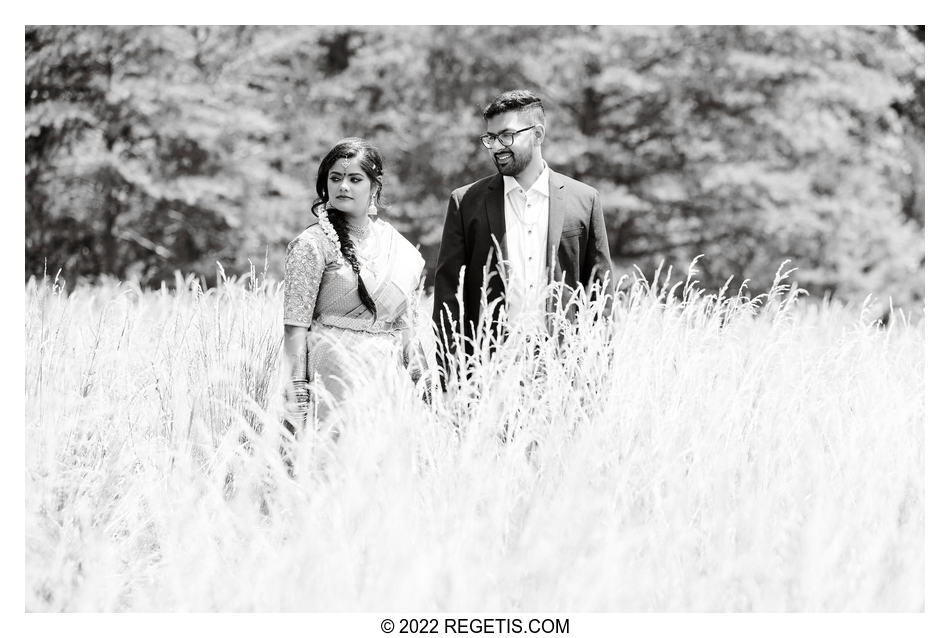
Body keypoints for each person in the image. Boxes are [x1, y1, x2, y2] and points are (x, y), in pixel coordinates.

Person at [432, 90, 612, 386]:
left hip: (563, 372)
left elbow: (600, 296)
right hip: (487, 372)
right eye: (490, 138)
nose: (496, 147)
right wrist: (451, 380)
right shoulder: (466, 203)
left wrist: (595, 373)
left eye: (506, 136)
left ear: (538, 134)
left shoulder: (585, 200)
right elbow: (448, 295)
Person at [282, 138, 426, 432]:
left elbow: (407, 327)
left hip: (385, 378)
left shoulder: (396, 247)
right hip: (331, 377)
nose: (343, 186)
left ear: (374, 187)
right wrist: (296, 397)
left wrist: (426, 384)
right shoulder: (312, 245)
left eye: (354, 179)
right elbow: (295, 328)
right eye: (335, 178)